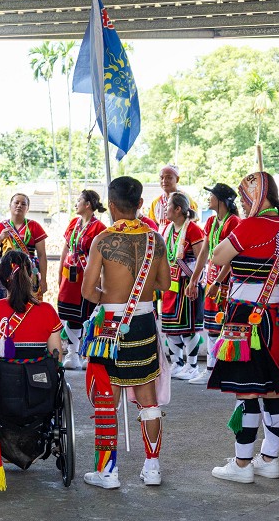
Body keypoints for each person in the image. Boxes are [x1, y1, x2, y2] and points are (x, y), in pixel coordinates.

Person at [206, 172, 279, 484]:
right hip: (274, 315)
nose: (242, 205)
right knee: (271, 389)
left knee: (247, 393)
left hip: (248, 317)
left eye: (245, 198)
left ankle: (243, 463)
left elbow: (218, 256)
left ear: (256, 197)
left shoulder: (254, 225)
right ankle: (269, 459)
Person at [80, 176, 171, 488]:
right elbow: (164, 285)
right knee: (148, 397)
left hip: (110, 324)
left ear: (113, 206)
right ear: (140, 205)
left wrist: (111, 298)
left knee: (108, 398)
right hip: (144, 321)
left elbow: (87, 289)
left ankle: (108, 472)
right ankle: (153, 467)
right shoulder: (156, 240)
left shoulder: (102, 241)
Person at [192, 183, 241, 386]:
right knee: (211, 326)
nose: (209, 198)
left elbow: (232, 257)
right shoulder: (211, 221)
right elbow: (204, 252)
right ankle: (212, 368)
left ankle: (225, 370)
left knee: (226, 324)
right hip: (212, 277)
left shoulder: (234, 222)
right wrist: (195, 279)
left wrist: (218, 282)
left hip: (226, 280)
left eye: (212, 195)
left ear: (221, 200)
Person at [0, 250, 63, 358]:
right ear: (31, 276)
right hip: (37, 374)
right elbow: (57, 358)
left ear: (1, 277)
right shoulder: (47, 311)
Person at [57, 189, 107, 369]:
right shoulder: (73, 223)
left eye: (79, 200)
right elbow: (66, 249)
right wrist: (59, 271)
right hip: (69, 276)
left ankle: (90, 354)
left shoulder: (99, 228)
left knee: (88, 314)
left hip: (87, 275)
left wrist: (100, 279)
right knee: (69, 314)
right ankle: (72, 353)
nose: (76, 203)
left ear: (88, 205)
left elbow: (102, 257)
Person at [160, 192, 207, 381]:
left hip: (188, 282)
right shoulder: (167, 229)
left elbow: (202, 259)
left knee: (188, 328)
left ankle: (192, 365)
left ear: (178, 209)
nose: (165, 208)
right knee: (171, 327)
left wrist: (194, 282)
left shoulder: (193, 230)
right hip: (171, 284)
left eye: (168, 205)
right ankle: (177, 363)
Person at [0, 193, 48, 300]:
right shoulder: (0, 226)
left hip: (28, 274)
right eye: (16, 202)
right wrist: (0, 238)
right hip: (5, 274)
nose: (19, 206)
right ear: (10, 205)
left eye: (23, 204)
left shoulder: (35, 227)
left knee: (27, 308)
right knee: (2, 307)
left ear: (27, 208)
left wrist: (43, 280)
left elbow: (42, 256)